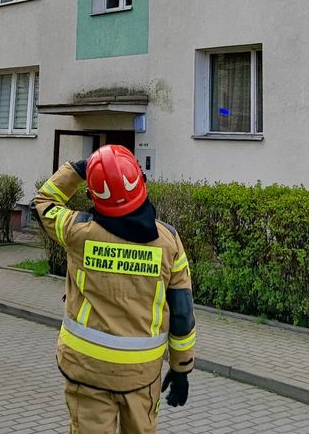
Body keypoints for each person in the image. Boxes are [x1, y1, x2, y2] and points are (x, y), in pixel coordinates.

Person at [34, 145, 196, 434]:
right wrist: (181, 368)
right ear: (140, 182)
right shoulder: (168, 241)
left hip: (86, 369)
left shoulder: (77, 231)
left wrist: (79, 169)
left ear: (93, 194)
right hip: (141, 373)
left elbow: (44, 202)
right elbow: (182, 312)